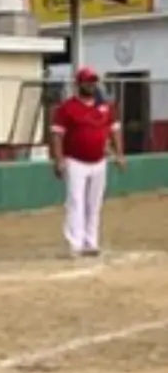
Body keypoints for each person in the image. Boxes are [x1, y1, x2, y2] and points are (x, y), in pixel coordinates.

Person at [49, 66, 126, 257]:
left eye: (93, 81)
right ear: (79, 84)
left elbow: (114, 130)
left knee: (95, 202)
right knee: (76, 201)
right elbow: (57, 135)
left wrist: (119, 154)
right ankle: (74, 243)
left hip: (99, 160)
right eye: (87, 81)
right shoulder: (67, 108)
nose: (91, 85)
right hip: (75, 160)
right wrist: (59, 159)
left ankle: (91, 242)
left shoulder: (106, 107)